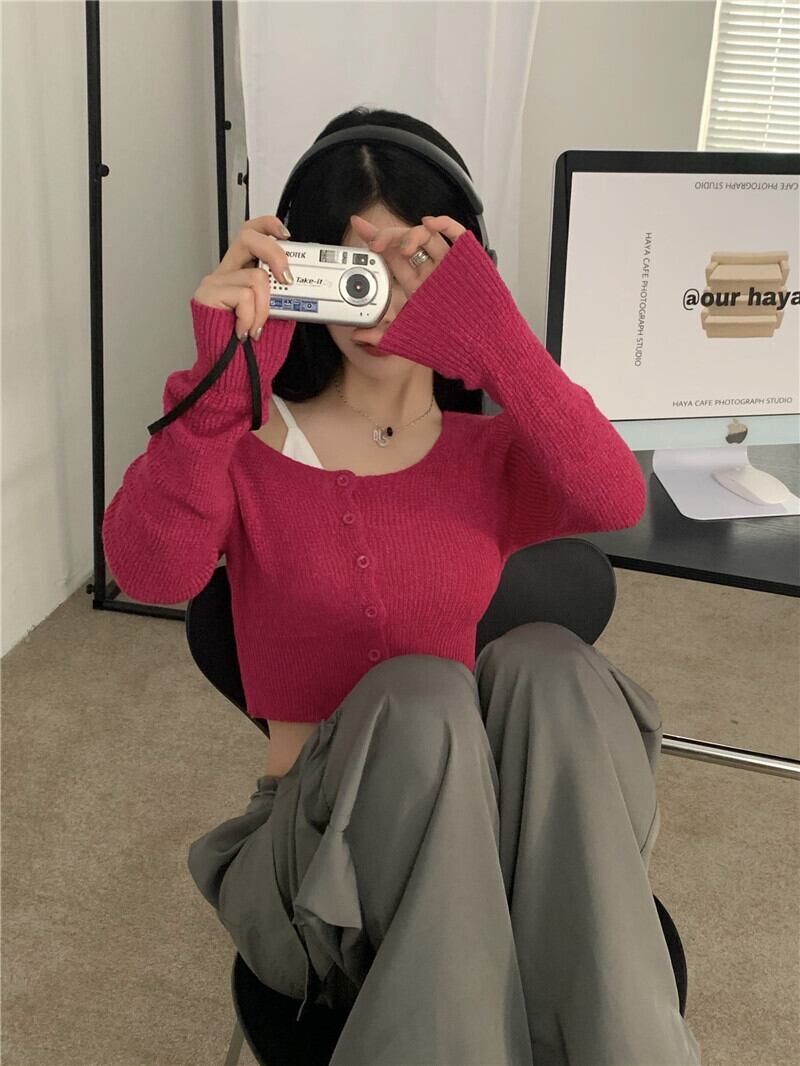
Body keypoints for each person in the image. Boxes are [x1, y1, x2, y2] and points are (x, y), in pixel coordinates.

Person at [103, 106, 702, 1065]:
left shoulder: (487, 455)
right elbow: (149, 568)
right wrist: (218, 385)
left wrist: (499, 341)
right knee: (421, 694)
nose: (376, 305)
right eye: (349, 270)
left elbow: (613, 495)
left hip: (492, 849)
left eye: (407, 269)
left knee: (549, 663)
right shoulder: (247, 444)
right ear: (294, 269)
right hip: (319, 875)